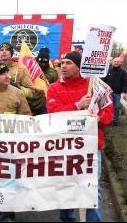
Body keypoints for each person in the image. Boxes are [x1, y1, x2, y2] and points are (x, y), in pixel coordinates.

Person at [46, 51, 113, 222]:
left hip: (90, 146)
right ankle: (67, 219)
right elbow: (53, 113)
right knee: (65, 187)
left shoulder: (96, 85)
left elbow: (108, 113)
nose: (63, 66)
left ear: (79, 66)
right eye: (62, 63)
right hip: (64, 146)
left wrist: (97, 118)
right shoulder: (54, 88)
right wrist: (77, 106)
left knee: (92, 189)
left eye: (68, 62)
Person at [27, 47, 58, 115]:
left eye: (45, 62)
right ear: (36, 61)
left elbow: (55, 88)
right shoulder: (29, 70)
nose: (43, 64)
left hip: (43, 104)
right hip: (29, 102)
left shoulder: (53, 73)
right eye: (41, 62)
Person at [102, 57, 127, 126]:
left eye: (117, 62)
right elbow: (104, 81)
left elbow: (125, 83)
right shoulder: (108, 71)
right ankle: (108, 119)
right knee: (107, 106)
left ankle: (115, 120)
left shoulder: (123, 72)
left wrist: (124, 91)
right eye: (115, 61)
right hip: (108, 93)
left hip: (117, 93)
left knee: (116, 107)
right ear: (113, 62)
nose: (116, 63)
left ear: (120, 63)